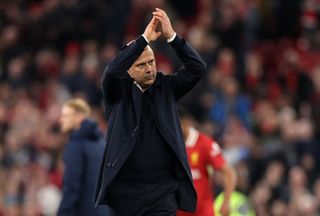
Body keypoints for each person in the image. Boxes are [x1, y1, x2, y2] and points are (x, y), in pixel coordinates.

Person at [94, 8, 207, 216]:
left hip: (162, 190)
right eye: (141, 65)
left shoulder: (166, 87)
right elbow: (111, 71)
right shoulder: (117, 92)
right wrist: (144, 39)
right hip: (126, 194)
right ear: (129, 70)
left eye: (151, 62)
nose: (149, 69)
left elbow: (197, 68)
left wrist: (172, 37)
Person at [176, 107, 236, 216]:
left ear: (186, 122)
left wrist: (226, 201)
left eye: (176, 123)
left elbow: (228, 172)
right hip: (177, 211)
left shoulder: (204, 143)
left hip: (202, 211)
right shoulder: (170, 144)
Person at [58, 98, 108, 216]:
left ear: (78, 117)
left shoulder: (76, 146)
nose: (61, 120)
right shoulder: (102, 144)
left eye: (65, 116)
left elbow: (71, 187)